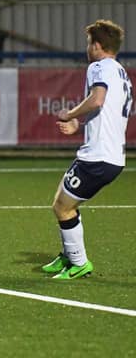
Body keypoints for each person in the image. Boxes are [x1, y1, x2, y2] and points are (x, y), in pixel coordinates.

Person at [42, 19, 132, 280]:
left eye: (89, 43)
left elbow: (98, 99)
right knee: (62, 197)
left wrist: (68, 113)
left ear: (97, 45)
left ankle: (79, 263)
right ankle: (69, 254)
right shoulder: (120, 73)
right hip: (109, 155)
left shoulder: (98, 67)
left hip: (98, 157)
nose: (87, 49)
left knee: (62, 207)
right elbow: (107, 117)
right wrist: (79, 126)